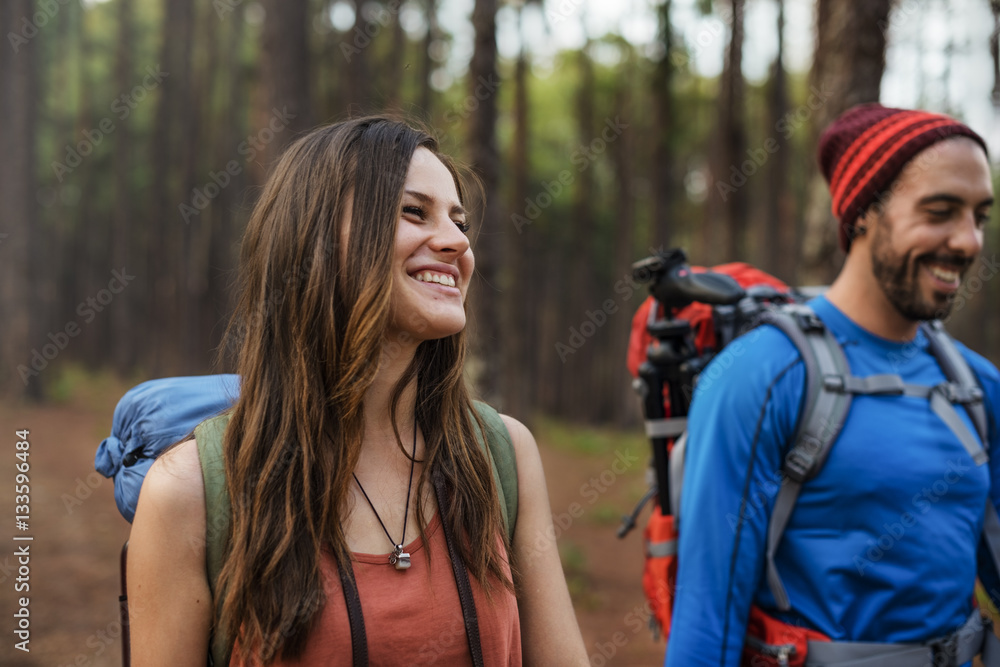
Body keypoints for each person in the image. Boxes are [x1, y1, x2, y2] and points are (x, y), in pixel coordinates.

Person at [126, 117, 589, 666]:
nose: (457, 242)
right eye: (413, 211)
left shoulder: (500, 454)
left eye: (459, 221)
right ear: (314, 239)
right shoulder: (192, 492)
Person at [665, 104, 997, 666]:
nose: (967, 242)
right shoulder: (760, 376)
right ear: (865, 212)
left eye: (979, 216)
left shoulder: (976, 383)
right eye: (940, 212)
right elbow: (707, 619)